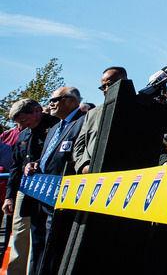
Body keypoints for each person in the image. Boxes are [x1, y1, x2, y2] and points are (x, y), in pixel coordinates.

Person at [32, 87, 87, 275]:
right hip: (41, 193)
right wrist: (35, 164)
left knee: (53, 246)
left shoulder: (83, 122)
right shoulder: (55, 127)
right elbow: (49, 155)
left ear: (71, 101)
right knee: (40, 244)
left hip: (62, 195)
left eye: (55, 100)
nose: (51, 104)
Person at [2, 99, 57, 275]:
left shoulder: (57, 127)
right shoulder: (23, 135)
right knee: (19, 233)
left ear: (37, 111)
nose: (22, 126)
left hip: (48, 190)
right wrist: (9, 196)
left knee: (40, 238)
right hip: (24, 190)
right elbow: (15, 167)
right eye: (18, 123)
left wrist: (38, 164)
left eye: (24, 121)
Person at [72, 66, 127, 173]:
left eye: (110, 84)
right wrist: (84, 166)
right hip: (94, 175)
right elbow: (79, 146)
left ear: (124, 81)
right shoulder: (92, 114)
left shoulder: (139, 107)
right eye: (103, 87)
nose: (106, 89)